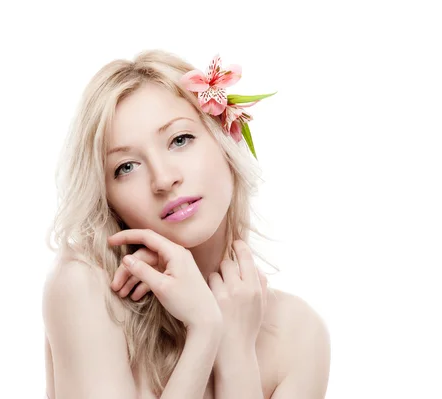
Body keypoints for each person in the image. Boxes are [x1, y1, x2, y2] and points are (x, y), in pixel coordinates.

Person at [42, 50, 331, 399]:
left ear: (226, 138)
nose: (163, 179)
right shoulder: (87, 288)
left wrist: (236, 354)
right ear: (107, 198)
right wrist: (205, 331)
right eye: (126, 167)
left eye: (180, 140)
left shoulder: (298, 333)